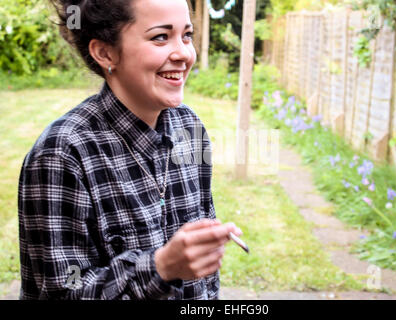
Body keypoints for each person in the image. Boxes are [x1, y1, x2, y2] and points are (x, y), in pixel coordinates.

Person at [18, 0, 242, 300]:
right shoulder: (63, 154)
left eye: (186, 35)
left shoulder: (190, 128)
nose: (184, 54)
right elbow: (62, 291)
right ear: (105, 53)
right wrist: (161, 268)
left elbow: (203, 284)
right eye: (160, 37)